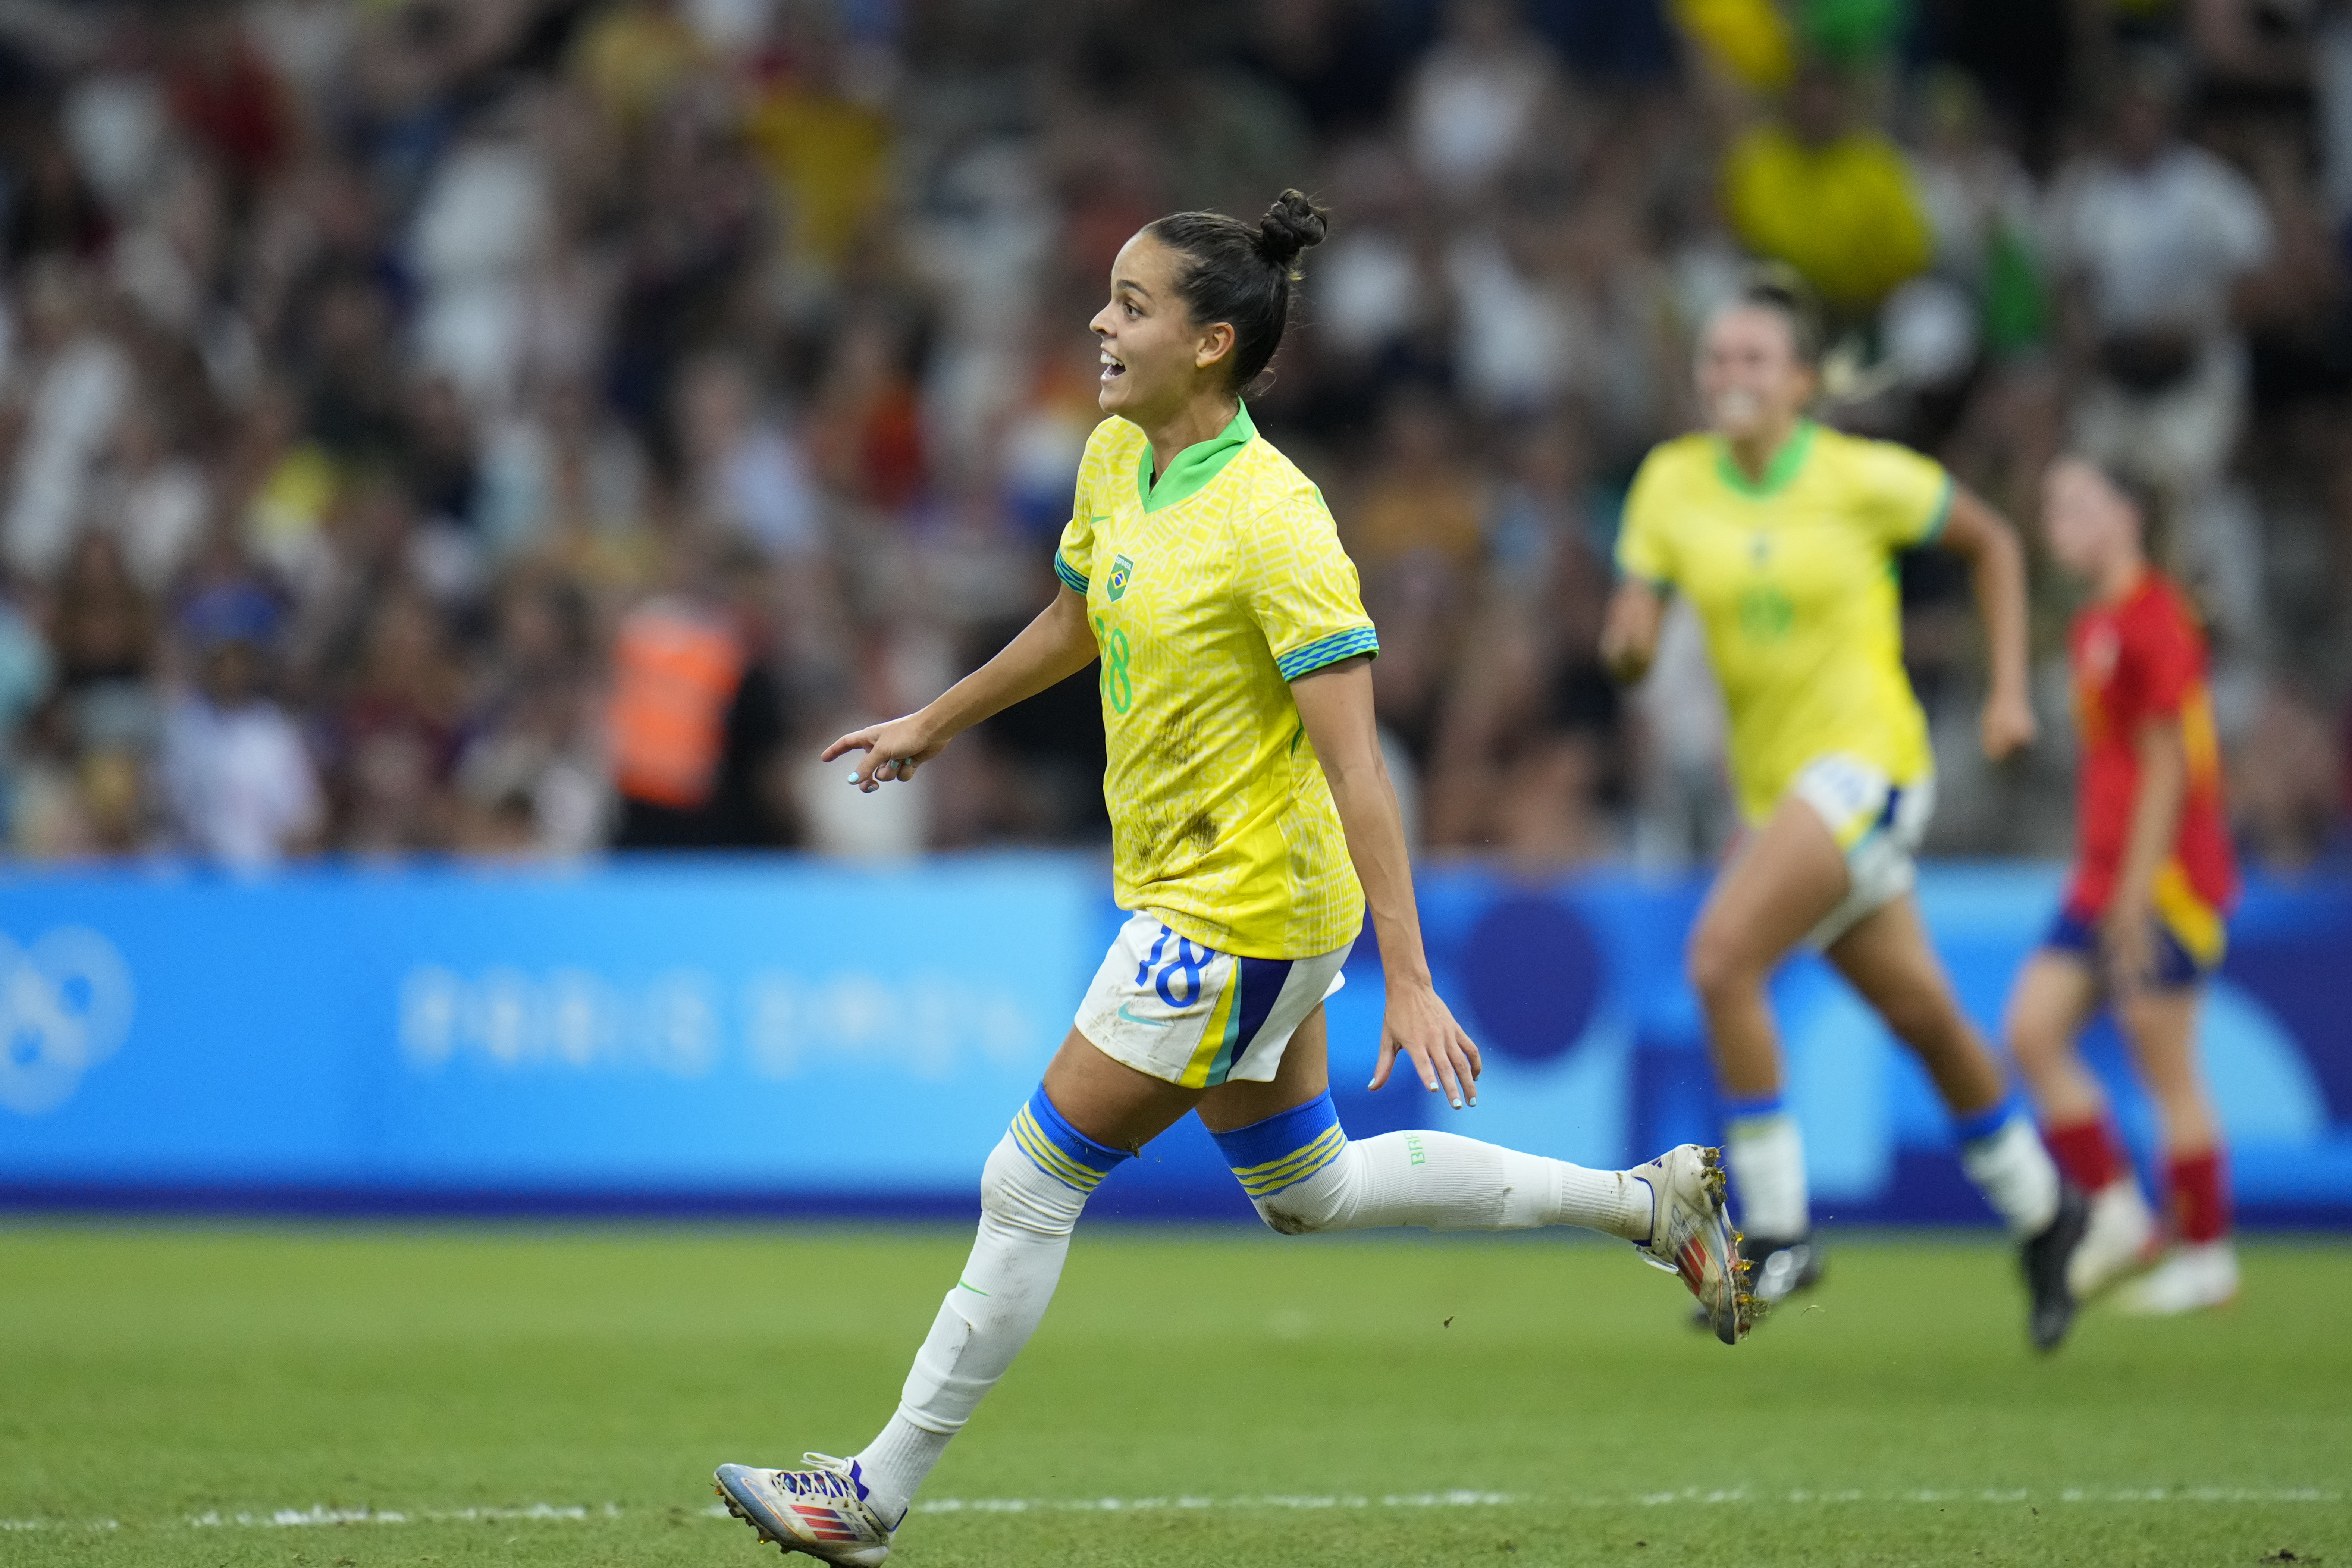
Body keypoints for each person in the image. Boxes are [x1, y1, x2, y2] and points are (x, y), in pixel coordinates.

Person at [711, 191, 1753, 1567]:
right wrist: (932, 721)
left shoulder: (1277, 520)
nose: (1099, 321)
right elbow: (1080, 616)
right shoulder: (1113, 458)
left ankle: (872, 1490)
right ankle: (1647, 1202)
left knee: (1027, 1183)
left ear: (1209, 343)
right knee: (1306, 1189)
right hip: (1208, 897)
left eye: (1131, 305)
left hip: (1237, 907)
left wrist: (1411, 971)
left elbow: (1358, 764)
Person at [1597, 269, 2089, 1349]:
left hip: (1869, 768)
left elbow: (1995, 544)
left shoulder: (1860, 476)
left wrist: (2008, 690)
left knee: (1722, 957)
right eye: (1716, 360)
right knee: (1921, 1012)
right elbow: (1631, 625)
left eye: (1753, 360)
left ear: (1803, 382)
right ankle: (2047, 1211)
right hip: (1780, 796)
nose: (1730, 376)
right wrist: (1628, 645)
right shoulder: (1672, 483)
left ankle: (1777, 1230)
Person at [2004, 457, 2240, 1315]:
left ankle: (2208, 1254)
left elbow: (2170, 765)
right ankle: (2118, 1208)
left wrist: (2139, 894)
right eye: (2051, 501)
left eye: (2076, 500)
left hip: (2165, 879)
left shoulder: (2155, 620)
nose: (2055, 516)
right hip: (2101, 875)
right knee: (2032, 1030)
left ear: (2128, 513)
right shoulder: (2094, 623)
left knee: (2162, 1054)